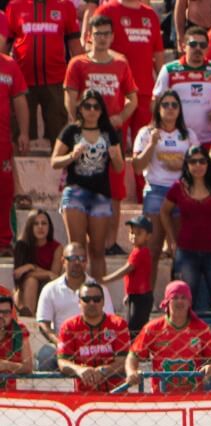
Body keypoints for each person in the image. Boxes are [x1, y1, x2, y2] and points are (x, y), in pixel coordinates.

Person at [63, 16, 137, 257]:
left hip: (111, 133)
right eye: (98, 33)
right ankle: (84, 244)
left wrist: (120, 117)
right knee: (83, 183)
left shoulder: (121, 63)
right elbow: (70, 97)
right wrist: (79, 124)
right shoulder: (77, 63)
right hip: (85, 133)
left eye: (107, 33)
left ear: (113, 36)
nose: (102, 38)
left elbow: (133, 99)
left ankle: (110, 242)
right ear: (89, 36)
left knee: (115, 187)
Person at [51, 90, 125, 282]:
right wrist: (71, 156)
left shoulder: (108, 133)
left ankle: (98, 294)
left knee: (98, 250)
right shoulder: (71, 131)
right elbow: (54, 161)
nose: (91, 110)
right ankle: (76, 292)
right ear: (80, 108)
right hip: (76, 191)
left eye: (96, 106)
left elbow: (119, 168)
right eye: (87, 106)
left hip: (100, 194)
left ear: (101, 110)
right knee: (77, 248)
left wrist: (117, 157)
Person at [161, 145, 211, 315]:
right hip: (186, 251)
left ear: (208, 163)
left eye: (202, 161)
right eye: (193, 162)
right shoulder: (178, 187)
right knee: (183, 303)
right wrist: (171, 240)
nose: (198, 166)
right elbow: (164, 211)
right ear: (187, 165)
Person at [133, 91, 199, 283]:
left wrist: (183, 165)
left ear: (179, 109)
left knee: (180, 249)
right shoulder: (146, 133)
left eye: (174, 105)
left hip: (182, 191)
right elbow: (137, 167)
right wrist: (152, 145)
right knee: (152, 248)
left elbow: (200, 164)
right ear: (158, 108)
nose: (170, 109)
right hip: (156, 190)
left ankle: (179, 296)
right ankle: (147, 297)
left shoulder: (188, 134)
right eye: (166, 105)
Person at [91, 0, 163, 159]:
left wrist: (162, 84)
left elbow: (158, 52)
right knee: (114, 147)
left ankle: (141, 184)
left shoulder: (150, 14)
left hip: (144, 90)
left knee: (144, 146)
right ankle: (113, 182)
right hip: (116, 92)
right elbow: (94, 49)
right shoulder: (106, 10)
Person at [6, 0, 81, 146]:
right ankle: (16, 169)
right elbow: (4, 48)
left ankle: (62, 168)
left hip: (56, 82)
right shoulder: (15, 6)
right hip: (22, 84)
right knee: (18, 138)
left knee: (60, 136)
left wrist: (81, 79)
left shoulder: (65, 5)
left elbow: (76, 48)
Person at [125, 279, 211, 391]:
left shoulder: (202, 328)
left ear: (190, 302)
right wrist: (131, 372)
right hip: (161, 397)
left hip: (193, 397)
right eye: (175, 297)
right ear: (167, 301)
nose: (180, 301)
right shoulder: (152, 328)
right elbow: (133, 355)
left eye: (183, 297)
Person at [154, 26, 211, 147]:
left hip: (209, 139)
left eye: (202, 45)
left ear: (207, 49)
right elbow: (156, 101)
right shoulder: (169, 69)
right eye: (193, 44)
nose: (198, 48)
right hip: (178, 138)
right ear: (184, 46)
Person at [57, 280, 130, 391]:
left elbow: (124, 360)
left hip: (117, 394)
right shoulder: (68, 327)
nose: (92, 303)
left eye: (96, 299)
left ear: (103, 301)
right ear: (79, 302)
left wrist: (104, 371)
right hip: (84, 397)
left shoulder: (118, 324)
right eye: (86, 299)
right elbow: (62, 362)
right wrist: (79, 370)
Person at [0, 44, 31, 256]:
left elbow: (20, 100)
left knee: (4, 191)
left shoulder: (9, 65)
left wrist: (24, 132)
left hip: (2, 141)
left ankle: (3, 241)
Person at [100, 215, 154, 334]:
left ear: (148, 236)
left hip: (140, 297)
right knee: (135, 326)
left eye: (138, 233)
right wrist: (128, 294)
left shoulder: (139, 253)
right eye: (132, 232)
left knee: (134, 328)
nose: (134, 236)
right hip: (136, 295)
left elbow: (126, 270)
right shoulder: (137, 251)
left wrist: (106, 279)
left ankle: (137, 349)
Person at [11, 210, 63, 317]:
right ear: (30, 226)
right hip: (24, 289)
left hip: (47, 287)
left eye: (44, 223)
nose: (40, 227)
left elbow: (54, 276)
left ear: (49, 227)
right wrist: (43, 272)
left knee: (31, 279)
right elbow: (17, 275)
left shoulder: (57, 247)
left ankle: (30, 313)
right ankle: (28, 314)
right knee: (31, 281)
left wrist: (30, 267)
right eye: (36, 223)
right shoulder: (22, 245)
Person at [0, 292, 34, 388]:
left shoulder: (19, 330)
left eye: (6, 312)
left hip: (11, 392)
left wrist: (6, 365)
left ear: (11, 314)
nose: (1, 316)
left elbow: (28, 367)